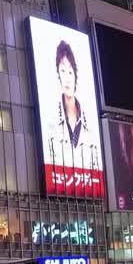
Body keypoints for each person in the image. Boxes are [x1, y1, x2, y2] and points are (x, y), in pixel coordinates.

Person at [47, 39, 100, 176]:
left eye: (70, 72)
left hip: (88, 189)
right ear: (58, 75)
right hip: (59, 188)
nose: (67, 78)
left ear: (76, 76)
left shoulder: (90, 125)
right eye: (63, 71)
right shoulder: (51, 122)